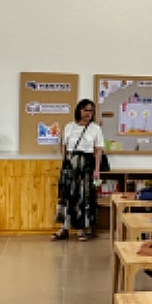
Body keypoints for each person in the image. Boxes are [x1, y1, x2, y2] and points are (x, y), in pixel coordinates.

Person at [53, 98, 104, 241]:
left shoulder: (95, 128)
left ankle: (81, 229)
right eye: (85, 110)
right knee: (65, 197)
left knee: (82, 197)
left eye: (90, 111)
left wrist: (97, 169)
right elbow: (64, 146)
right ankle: (63, 228)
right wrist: (65, 163)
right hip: (69, 166)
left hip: (86, 166)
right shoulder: (69, 126)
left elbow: (98, 151)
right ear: (79, 110)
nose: (88, 113)